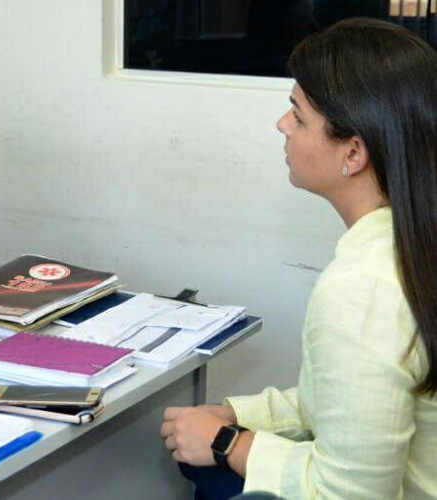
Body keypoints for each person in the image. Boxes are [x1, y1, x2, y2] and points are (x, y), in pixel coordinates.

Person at [161, 18, 437, 500]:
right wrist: (239, 416)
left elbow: (354, 492)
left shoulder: (363, 288)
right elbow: (358, 408)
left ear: (353, 152)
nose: (282, 125)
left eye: (298, 114)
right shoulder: (412, 244)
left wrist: (228, 443)